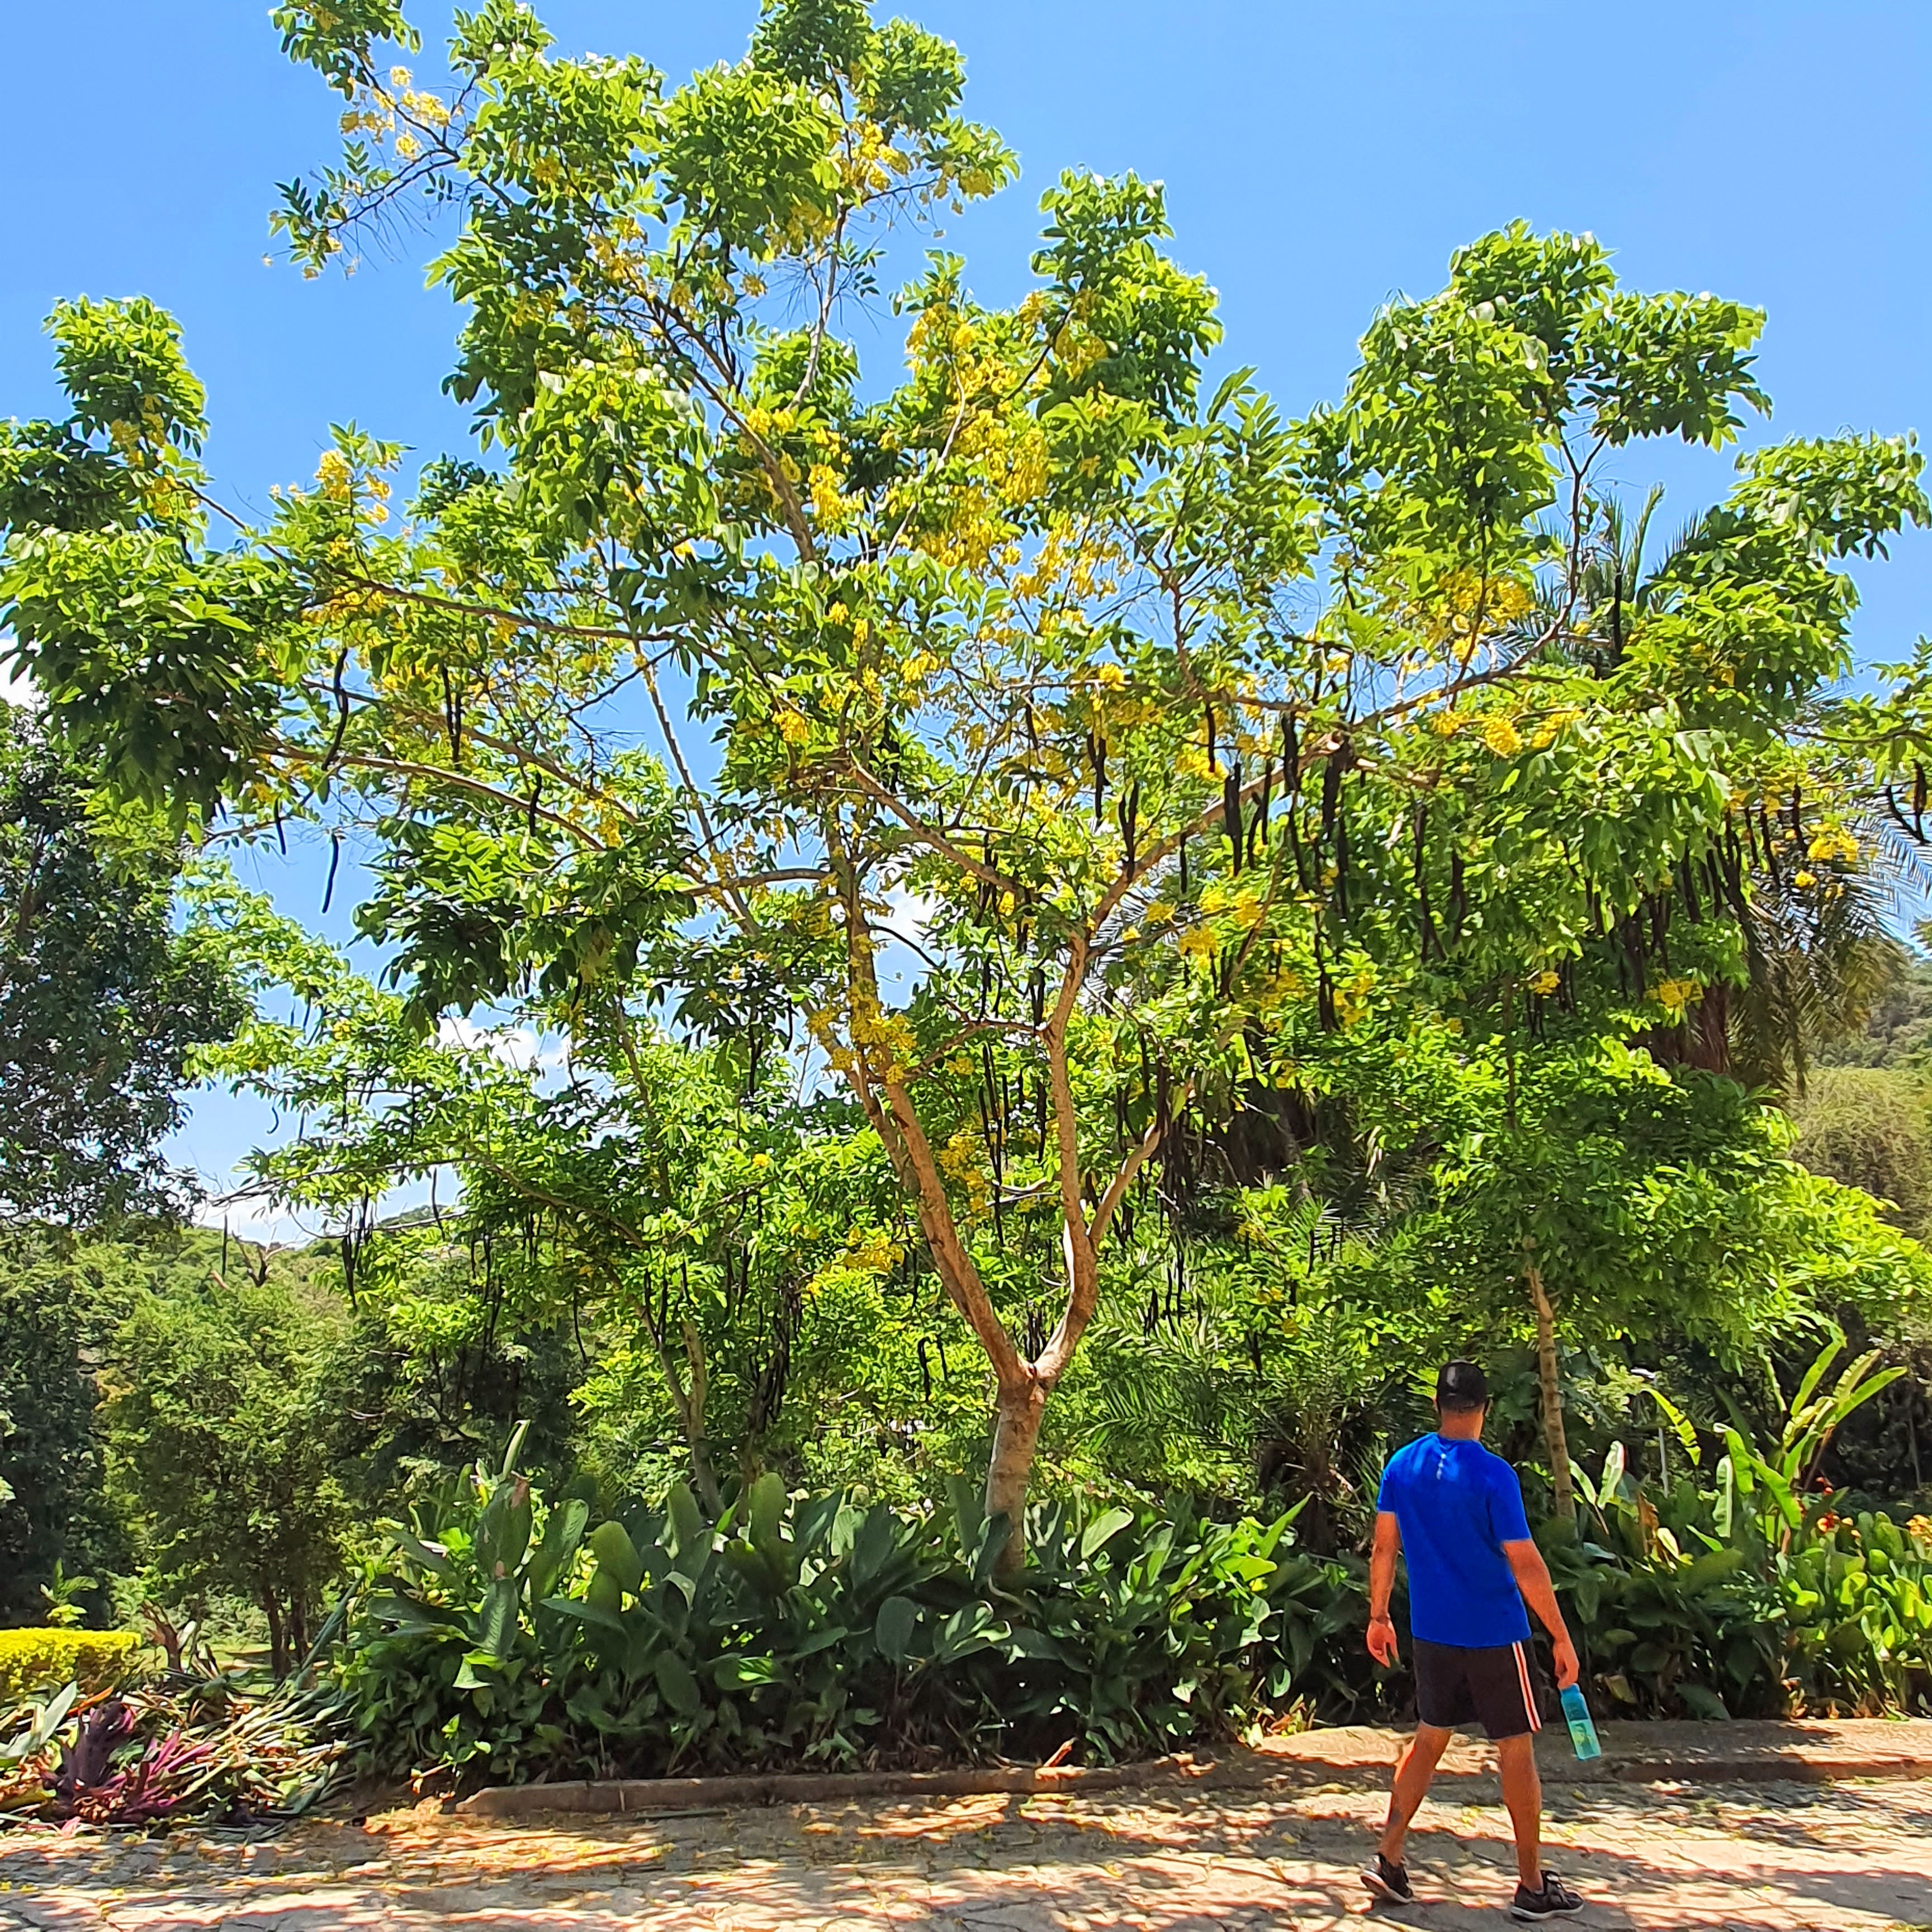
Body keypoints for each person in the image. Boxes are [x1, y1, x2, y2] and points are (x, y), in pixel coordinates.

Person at [1361, 1360, 1585, 1922]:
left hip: (1432, 1633)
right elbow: (1526, 1562)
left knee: (1429, 1738)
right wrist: (1560, 1636)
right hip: (1495, 1635)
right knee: (1516, 1748)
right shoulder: (1493, 1476)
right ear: (1484, 1409)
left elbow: (1383, 1548)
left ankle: (1389, 1856)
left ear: (1438, 1406)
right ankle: (1532, 1884)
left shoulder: (1401, 1466)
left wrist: (1379, 1615)